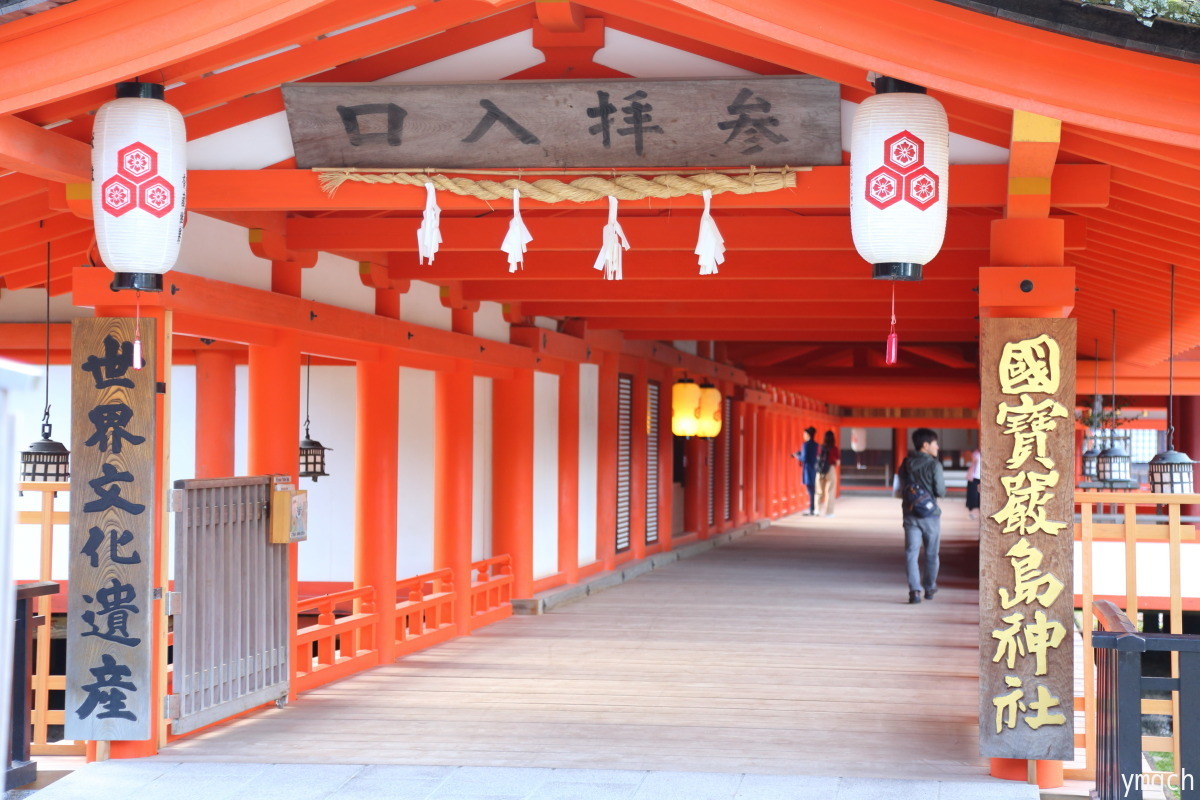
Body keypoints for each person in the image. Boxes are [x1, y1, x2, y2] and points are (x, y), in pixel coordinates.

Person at [897, 428, 946, 604]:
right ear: (926, 445)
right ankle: (930, 587)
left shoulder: (906, 463)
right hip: (930, 515)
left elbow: (902, 486)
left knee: (911, 552)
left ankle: (914, 591)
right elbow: (940, 491)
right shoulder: (934, 465)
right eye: (935, 444)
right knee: (932, 553)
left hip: (910, 513)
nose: (937, 447)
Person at [814, 430, 840, 516]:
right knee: (830, 491)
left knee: (819, 491)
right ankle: (829, 512)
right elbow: (837, 462)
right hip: (830, 469)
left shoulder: (820, 447)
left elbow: (817, 458)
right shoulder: (834, 448)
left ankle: (817, 510)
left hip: (820, 470)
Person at [795, 426, 819, 515]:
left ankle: (811, 509)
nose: (803, 435)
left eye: (804, 434)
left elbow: (804, 458)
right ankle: (813, 508)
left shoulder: (805, 445)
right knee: (813, 489)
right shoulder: (816, 445)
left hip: (808, 469)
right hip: (815, 468)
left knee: (810, 490)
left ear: (808, 435)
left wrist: (798, 456)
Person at [966, 447, 981, 520]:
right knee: (974, 496)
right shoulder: (976, 453)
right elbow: (972, 464)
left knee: (980, 497)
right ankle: (973, 514)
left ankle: (980, 514)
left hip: (983, 478)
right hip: (975, 476)